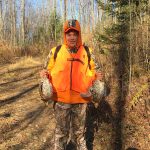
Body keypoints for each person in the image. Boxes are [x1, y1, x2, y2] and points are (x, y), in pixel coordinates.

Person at [40, 19, 104, 150]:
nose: (72, 37)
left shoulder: (88, 52)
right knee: (61, 134)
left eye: (75, 34)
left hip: (81, 99)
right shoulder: (55, 51)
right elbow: (47, 70)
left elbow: (96, 71)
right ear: (65, 35)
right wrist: (43, 74)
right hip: (61, 100)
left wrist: (98, 77)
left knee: (79, 134)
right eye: (69, 34)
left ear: (79, 35)